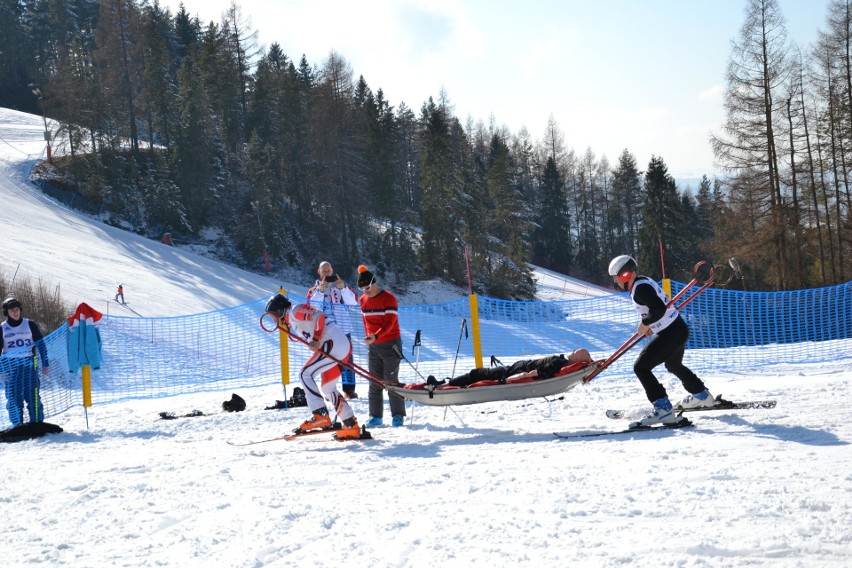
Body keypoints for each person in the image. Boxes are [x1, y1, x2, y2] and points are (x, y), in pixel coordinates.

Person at [608, 255, 715, 427]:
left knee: (641, 367)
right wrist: (651, 322)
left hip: (671, 333)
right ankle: (702, 396)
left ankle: (664, 410)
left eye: (616, 277)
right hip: (677, 329)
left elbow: (658, 308)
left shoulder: (640, 288)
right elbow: (656, 309)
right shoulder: (641, 282)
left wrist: (645, 323)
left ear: (625, 274)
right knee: (673, 365)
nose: (616, 282)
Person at [264, 293, 361, 439]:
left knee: (304, 374)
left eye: (273, 316)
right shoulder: (292, 319)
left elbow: (319, 315)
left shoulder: (295, 311)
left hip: (335, 344)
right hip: (339, 346)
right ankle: (351, 425)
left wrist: (315, 339)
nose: (274, 320)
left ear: (279, 310)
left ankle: (319, 414)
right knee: (327, 388)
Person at [357, 265, 406, 427]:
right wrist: (370, 337)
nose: (366, 291)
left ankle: (397, 415)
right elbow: (366, 322)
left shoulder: (389, 298)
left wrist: (376, 335)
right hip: (374, 345)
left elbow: (390, 323)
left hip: (391, 344)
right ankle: (375, 416)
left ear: (374, 283)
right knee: (374, 381)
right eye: (362, 288)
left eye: (368, 287)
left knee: (391, 381)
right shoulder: (362, 300)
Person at [307, 261, 359, 399]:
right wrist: (320, 291)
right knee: (327, 360)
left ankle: (349, 389)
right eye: (323, 271)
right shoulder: (314, 289)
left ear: (332, 271)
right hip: (326, 331)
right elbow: (311, 306)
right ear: (318, 272)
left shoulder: (341, 286)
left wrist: (343, 288)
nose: (326, 273)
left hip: (344, 328)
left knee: (348, 360)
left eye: (328, 271)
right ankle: (329, 389)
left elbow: (353, 303)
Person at [427, 349, 593, 388]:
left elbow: (534, 373)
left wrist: (509, 380)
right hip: (512, 368)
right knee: (477, 373)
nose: (571, 351)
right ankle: (446, 383)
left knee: (476, 374)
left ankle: (444, 386)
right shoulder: (562, 361)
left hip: (509, 372)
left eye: (574, 352)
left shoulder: (559, 363)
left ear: (575, 358)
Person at [1, 297, 50, 426]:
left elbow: (41, 344)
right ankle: (17, 424)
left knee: (32, 393)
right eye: (12, 310)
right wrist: (1, 370)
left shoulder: (30, 324)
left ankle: (37, 422)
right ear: (7, 312)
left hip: (29, 364)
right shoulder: (3, 328)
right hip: (11, 366)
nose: (15, 312)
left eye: (17, 309)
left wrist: (45, 363)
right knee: (14, 397)